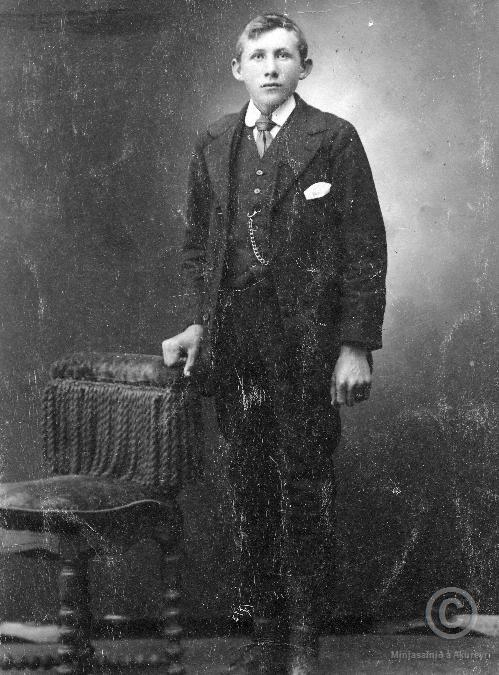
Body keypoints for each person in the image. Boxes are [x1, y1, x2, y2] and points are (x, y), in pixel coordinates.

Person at [162, 13, 386, 675]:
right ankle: (265, 632)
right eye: (257, 55)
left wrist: (355, 345)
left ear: (304, 68)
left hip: (306, 346)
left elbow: (364, 249)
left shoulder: (333, 138)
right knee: (249, 485)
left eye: (284, 55)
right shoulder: (214, 139)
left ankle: (305, 634)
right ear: (238, 68)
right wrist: (200, 322)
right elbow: (199, 249)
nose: (270, 66)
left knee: (306, 485)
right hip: (235, 346)